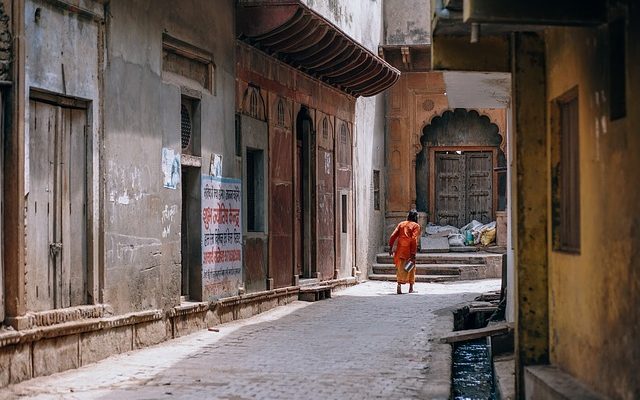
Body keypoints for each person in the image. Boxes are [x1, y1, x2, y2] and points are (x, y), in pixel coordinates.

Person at [388, 209, 421, 294]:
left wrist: (390, 247)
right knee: (411, 268)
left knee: (400, 268)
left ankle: (399, 284)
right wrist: (413, 253)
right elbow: (414, 239)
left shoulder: (401, 224)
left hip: (400, 250)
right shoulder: (416, 226)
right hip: (409, 250)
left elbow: (393, 236)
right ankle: (411, 288)